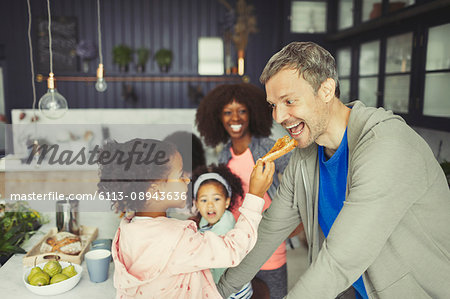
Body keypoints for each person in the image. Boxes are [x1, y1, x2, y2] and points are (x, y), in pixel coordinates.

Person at [217, 41, 450, 299]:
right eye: (273, 104)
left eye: (289, 101)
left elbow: (339, 260)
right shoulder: (306, 154)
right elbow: (269, 231)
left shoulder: (387, 146)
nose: (279, 116)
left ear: (326, 90)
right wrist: (214, 293)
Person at [97, 138, 274, 299]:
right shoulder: (178, 240)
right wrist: (255, 195)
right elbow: (233, 249)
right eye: (180, 175)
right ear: (154, 191)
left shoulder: (126, 229)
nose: (187, 180)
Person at [196, 83, 293, 298]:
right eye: (227, 112)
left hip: (270, 242)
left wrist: (297, 221)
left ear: (252, 113)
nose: (235, 118)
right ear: (218, 118)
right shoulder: (224, 157)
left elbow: (301, 174)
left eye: (242, 111)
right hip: (239, 244)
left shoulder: (268, 147)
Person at [192, 163, 253, 298]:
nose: (210, 205)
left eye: (216, 199)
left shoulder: (226, 225)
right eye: (203, 200)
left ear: (227, 201)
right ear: (196, 204)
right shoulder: (204, 222)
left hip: (234, 291)